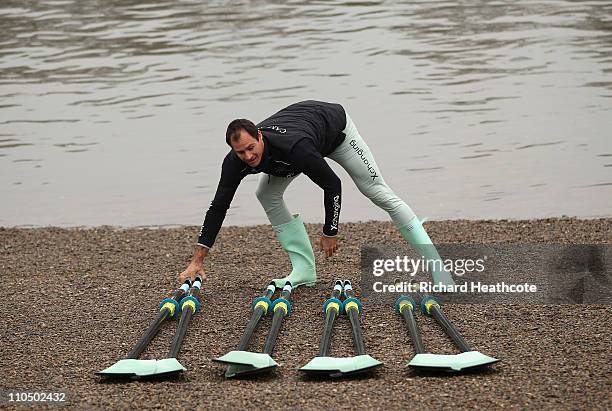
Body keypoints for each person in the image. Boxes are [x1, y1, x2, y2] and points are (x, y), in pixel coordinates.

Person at [179, 100, 454, 288]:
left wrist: (329, 231)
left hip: (337, 133)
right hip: (302, 143)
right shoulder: (235, 162)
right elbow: (218, 208)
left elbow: (332, 184)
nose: (248, 156)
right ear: (232, 150)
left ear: (260, 137)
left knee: (378, 193)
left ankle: (439, 269)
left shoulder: (293, 147)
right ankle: (304, 271)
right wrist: (196, 261)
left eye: (252, 147)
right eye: (241, 152)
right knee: (266, 194)